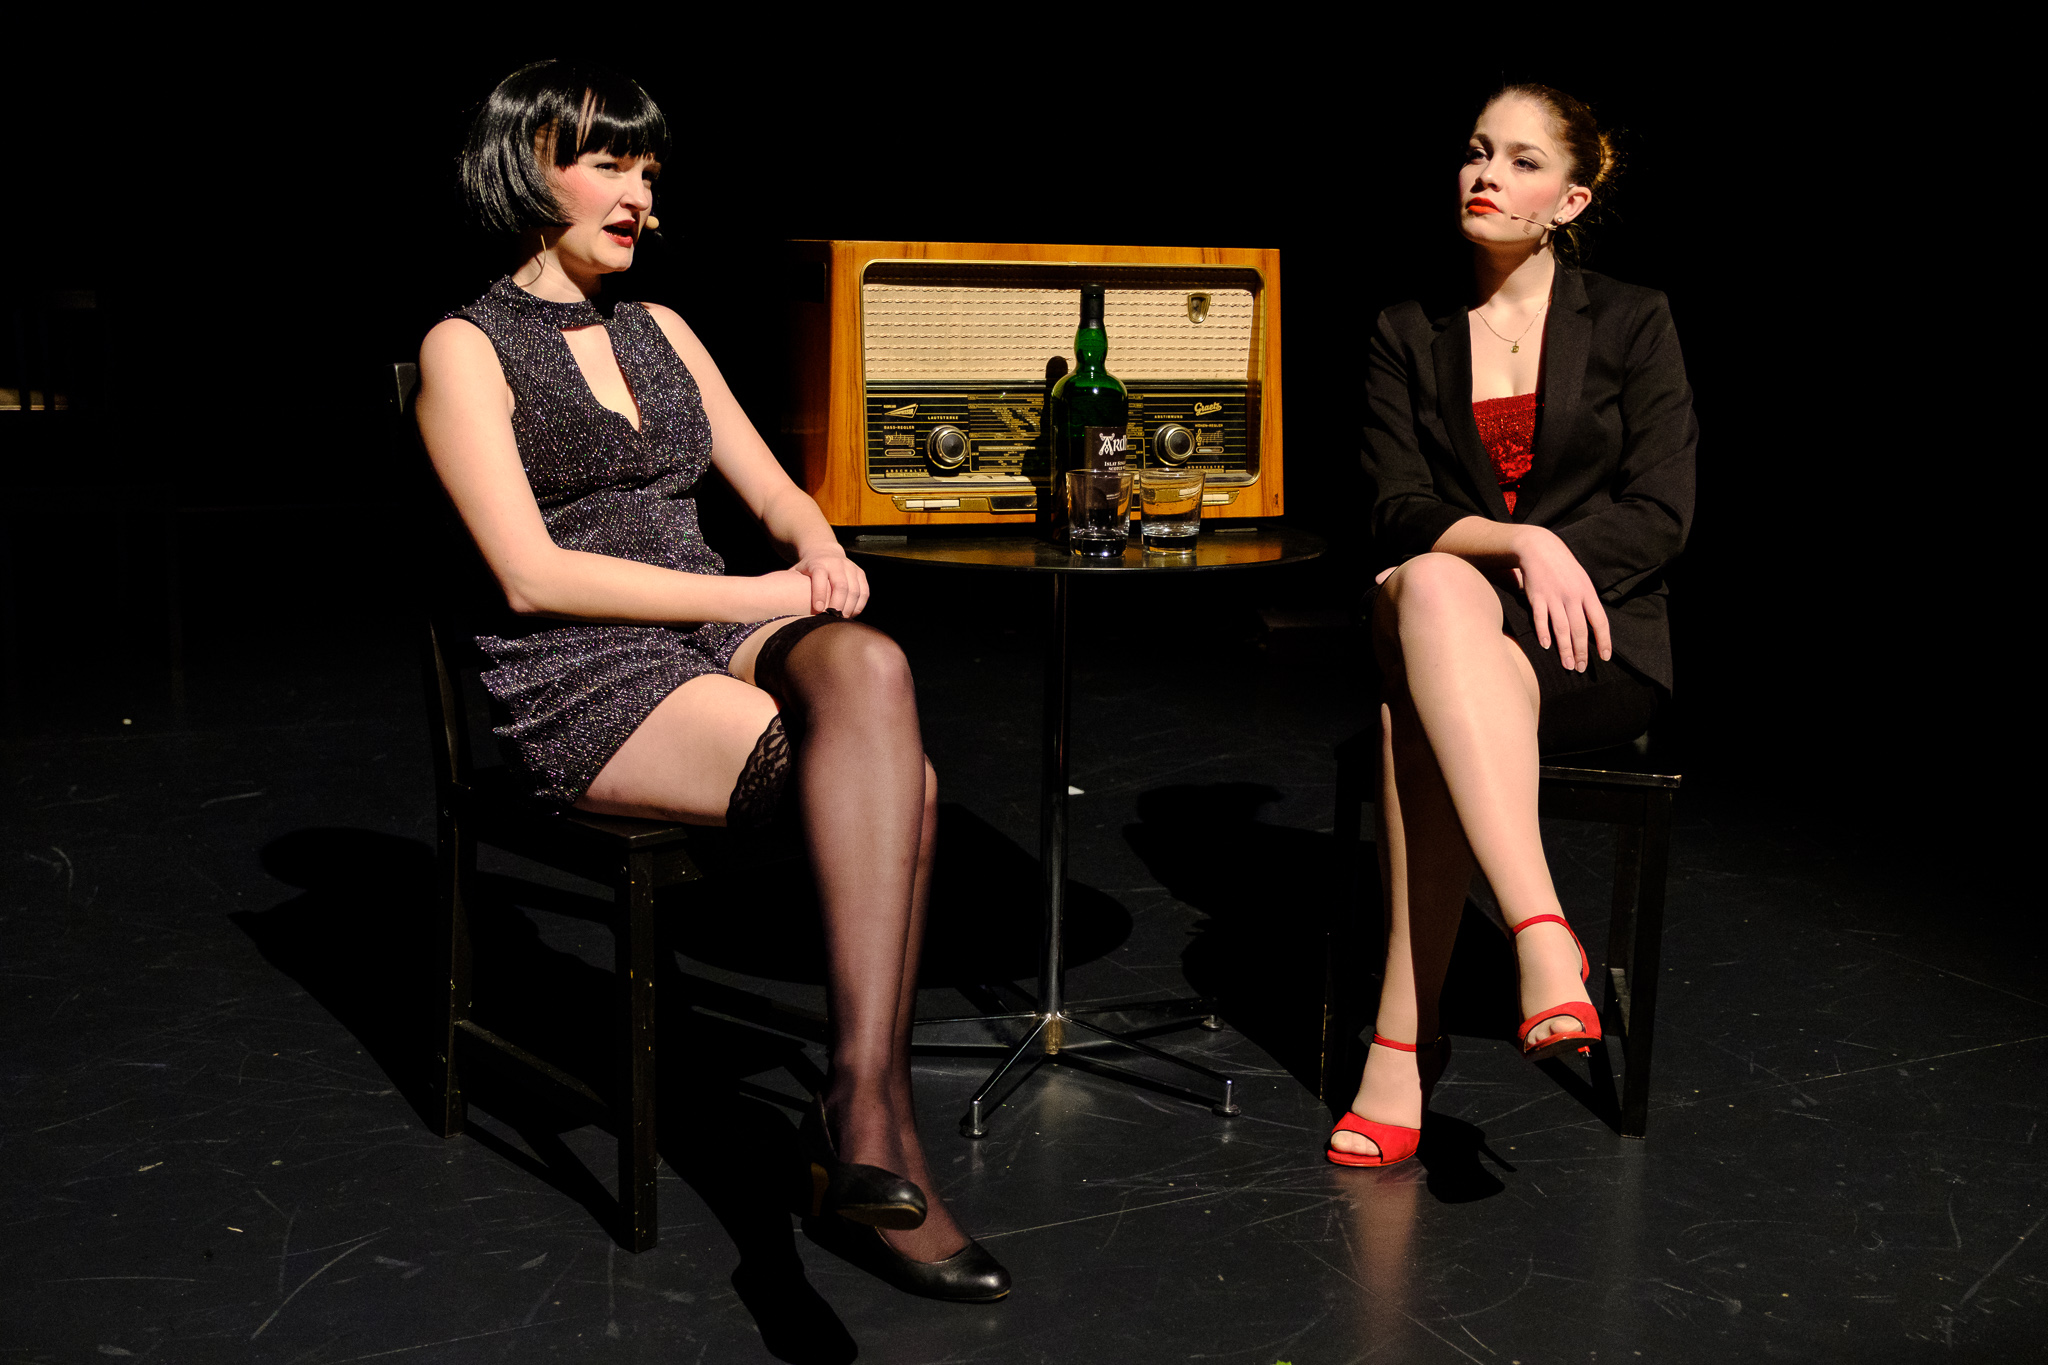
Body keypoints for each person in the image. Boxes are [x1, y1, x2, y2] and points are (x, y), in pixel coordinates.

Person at [414, 60, 1008, 1300]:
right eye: (607, 165)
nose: (638, 195)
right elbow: (528, 575)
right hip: (580, 669)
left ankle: (858, 1109)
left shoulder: (662, 330)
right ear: (526, 165)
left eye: (648, 171)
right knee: (904, 789)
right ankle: (872, 1126)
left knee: (871, 664)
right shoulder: (462, 348)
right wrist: (759, 595)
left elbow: (774, 488)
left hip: (705, 629)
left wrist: (816, 549)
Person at [1333, 84, 1696, 1166]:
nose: (1486, 174)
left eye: (1522, 161)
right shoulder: (1408, 329)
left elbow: (1661, 509)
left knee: (1414, 719)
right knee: (1434, 587)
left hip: (1588, 642)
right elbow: (1395, 508)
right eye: (1476, 152)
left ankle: (1401, 1043)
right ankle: (1541, 926)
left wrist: (1556, 563)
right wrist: (1518, 542)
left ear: (1570, 200)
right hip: (1445, 615)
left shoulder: (1631, 319)